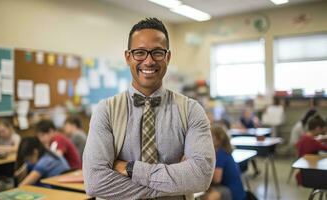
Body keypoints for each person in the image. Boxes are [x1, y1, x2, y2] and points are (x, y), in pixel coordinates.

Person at [83, 18, 215, 199]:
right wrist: (174, 184)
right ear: (128, 57)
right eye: (140, 52)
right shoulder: (106, 110)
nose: (149, 61)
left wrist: (130, 168)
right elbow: (95, 182)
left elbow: (200, 177)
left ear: (168, 57)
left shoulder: (191, 110)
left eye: (157, 53)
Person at [210, 126, 246, 200]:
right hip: (237, 191)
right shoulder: (224, 151)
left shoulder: (220, 154)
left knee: (209, 197)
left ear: (218, 139)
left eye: (210, 136)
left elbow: (217, 179)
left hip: (232, 193)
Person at [295, 115, 327, 185]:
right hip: (309, 175)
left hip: (304, 173)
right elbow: (325, 148)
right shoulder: (311, 141)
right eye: (324, 129)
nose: (324, 131)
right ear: (318, 128)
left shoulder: (304, 137)